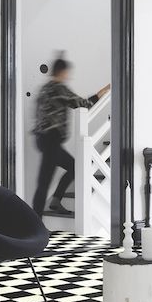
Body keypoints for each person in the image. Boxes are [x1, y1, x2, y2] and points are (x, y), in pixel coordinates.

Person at [32, 56, 110, 217]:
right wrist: (101, 93)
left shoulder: (45, 89)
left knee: (74, 167)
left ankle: (54, 201)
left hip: (43, 139)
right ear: (62, 72)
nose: (68, 76)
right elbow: (81, 104)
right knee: (44, 182)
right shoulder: (58, 88)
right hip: (51, 140)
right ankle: (35, 223)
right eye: (67, 73)